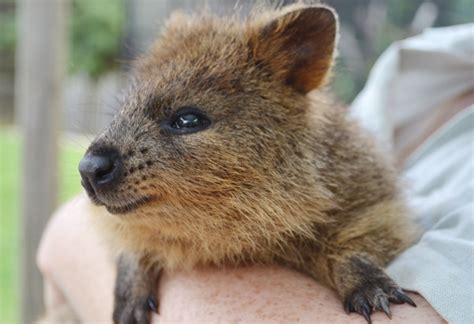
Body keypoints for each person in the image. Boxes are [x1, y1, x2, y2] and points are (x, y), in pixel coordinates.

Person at [37, 24, 473, 323]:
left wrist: (346, 262)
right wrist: (131, 254)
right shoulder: (427, 65)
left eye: (187, 121)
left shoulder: (334, 177)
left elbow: (375, 219)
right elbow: (83, 228)